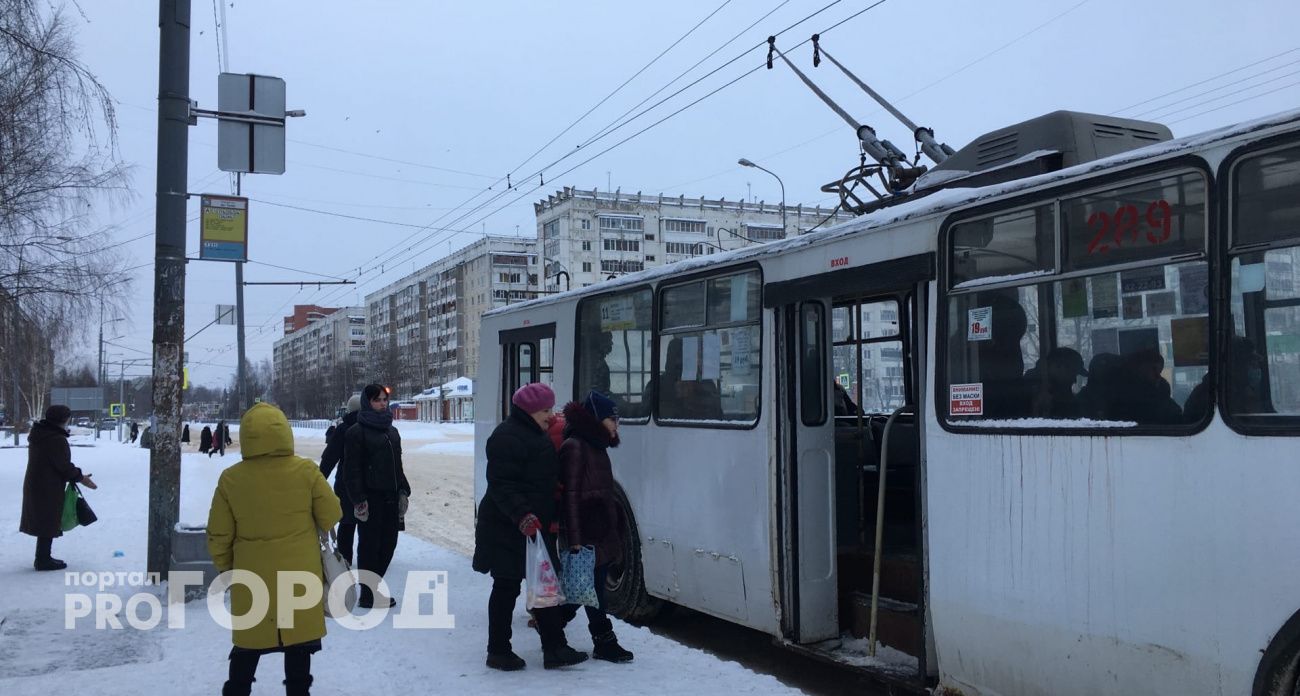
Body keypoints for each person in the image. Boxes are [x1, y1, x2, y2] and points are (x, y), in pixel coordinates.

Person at [207, 402, 341, 696]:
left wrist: (228, 571)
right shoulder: (306, 471)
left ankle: (237, 691)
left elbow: (218, 535)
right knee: (299, 645)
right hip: (300, 577)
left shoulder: (231, 479)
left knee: (247, 646)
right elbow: (332, 514)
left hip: (252, 578)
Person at [473, 383, 587, 671]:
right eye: (546, 410)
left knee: (544, 586)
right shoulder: (506, 437)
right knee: (506, 588)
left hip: (533, 528)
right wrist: (522, 516)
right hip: (507, 527)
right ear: (530, 410)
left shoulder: (534, 433)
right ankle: (498, 651)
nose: (551, 415)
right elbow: (502, 485)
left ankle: (555, 648)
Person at [557, 391, 635, 663]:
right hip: (586, 531)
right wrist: (575, 540)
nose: (616, 424)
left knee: (587, 589)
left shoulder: (597, 444)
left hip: (600, 528)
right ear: (596, 419)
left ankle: (552, 624)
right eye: (611, 419)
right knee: (593, 590)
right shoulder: (576, 446)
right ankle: (604, 641)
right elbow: (570, 497)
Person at [344, 384, 411, 609]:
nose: (383, 403)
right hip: (370, 499)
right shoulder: (356, 432)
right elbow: (351, 470)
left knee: (388, 544)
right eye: (377, 400)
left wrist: (403, 489)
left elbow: (397, 465)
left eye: (384, 399)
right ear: (367, 402)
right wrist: (358, 499)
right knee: (369, 546)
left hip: (391, 498)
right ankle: (368, 594)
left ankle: (373, 587)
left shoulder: (392, 431)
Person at [20, 405, 98, 571]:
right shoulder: (56, 439)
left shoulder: (39, 434)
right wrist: (81, 478)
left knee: (45, 519)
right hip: (48, 486)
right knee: (48, 519)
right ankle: (43, 560)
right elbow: (63, 466)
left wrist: (76, 475)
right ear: (63, 419)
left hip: (37, 483)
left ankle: (42, 557)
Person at [320, 395, 361, 564]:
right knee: (368, 525)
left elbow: (330, 458)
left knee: (347, 523)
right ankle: (369, 558)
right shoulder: (370, 426)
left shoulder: (343, 429)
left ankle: (345, 559)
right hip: (367, 484)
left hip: (345, 483)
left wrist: (319, 479)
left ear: (349, 410)